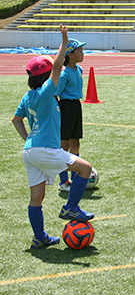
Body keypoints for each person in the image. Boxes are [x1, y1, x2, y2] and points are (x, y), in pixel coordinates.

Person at [12, 26, 95, 249]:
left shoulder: (28, 96)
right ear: (46, 75)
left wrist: (29, 139)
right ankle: (71, 207)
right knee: (85, 169)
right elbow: (58, 66)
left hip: (29, 152)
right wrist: (64, 40)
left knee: (36, 198)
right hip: (45, 150)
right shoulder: (46, 92)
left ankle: (40, 237)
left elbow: (16, 120)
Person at [55, 37, 87, 192]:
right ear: (71, 54)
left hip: (76, 106)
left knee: (75, 143)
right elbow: (56, 93)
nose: (83, 53)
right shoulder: (64, 74)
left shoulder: (79, 70)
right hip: (66, 107)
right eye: (79, 51)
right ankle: (63, 181)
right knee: (64, 145)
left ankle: (75, 178)